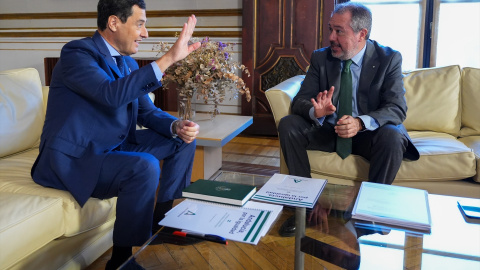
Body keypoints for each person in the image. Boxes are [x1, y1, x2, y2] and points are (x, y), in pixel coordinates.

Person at [30, 0, 201, 268]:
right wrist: (169, 57)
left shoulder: (129, 65)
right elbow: (109, 94)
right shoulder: (77, 53)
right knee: (144, 166)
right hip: (76, 159)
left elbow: (146, 112)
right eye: (140, 24)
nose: (145, 33)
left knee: (182, 140)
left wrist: (175, 125)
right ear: (113, 23)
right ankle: (122, 260)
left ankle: (162, 222)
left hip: (112, 150)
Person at [277, 2, 419, 237]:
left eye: (339, 31)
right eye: (330, 29)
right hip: (328, 131)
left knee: (393, 136)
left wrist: (361, 122)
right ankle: (305, 207)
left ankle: (370, 215)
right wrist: (316, 112)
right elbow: (299, 101)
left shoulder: (388, 58)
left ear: (362, 34)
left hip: (366, 136)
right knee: (289, 124)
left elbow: (396, 108)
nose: (331, 37)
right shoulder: (321, 58)